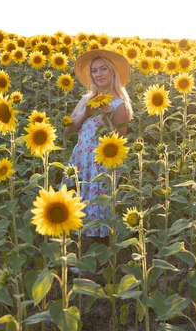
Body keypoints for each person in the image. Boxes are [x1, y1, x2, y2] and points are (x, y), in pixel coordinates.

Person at [64, 49, 134, 248]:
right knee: (72, 211)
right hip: (80, 163)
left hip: (100, 168)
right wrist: (85, 113)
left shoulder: (120, 105)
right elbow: (69, 129)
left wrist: (105, 119)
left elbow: (118, 143)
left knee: (98, 214)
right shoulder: (87, 100)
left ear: (113, 72)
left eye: (103, 69)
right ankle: (75, 257)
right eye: (94, 71)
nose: (99, 74)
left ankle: (99, 263)